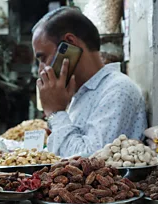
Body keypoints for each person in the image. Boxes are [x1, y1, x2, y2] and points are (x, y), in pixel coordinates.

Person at [32, 7, 147, 157]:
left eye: (43, 58)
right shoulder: (82, 94)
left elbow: (89, 162)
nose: (42, 69)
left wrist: (55, 113)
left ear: (70, 43)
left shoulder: (117, 90)